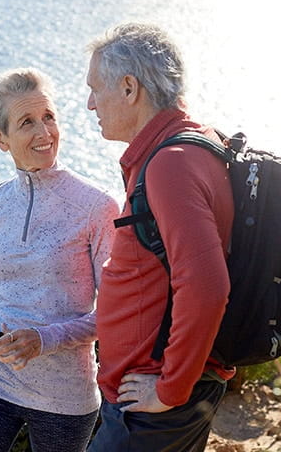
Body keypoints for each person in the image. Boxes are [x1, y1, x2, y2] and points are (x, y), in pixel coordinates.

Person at [0, 68, 119, 452]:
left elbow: (111, 313)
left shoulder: (97, 207)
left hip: (65, 394)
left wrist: (43, 340)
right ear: (0, 139)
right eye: (27, 123)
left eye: (49, 117)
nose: (45, 133)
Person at [83, 23, 237, 451]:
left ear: (129, 88)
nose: (90, 103)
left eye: (96, 89)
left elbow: (207, 287)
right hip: (160, 392)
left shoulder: (171, 164)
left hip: (154, 406)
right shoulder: (195, 143)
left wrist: (170, 390)